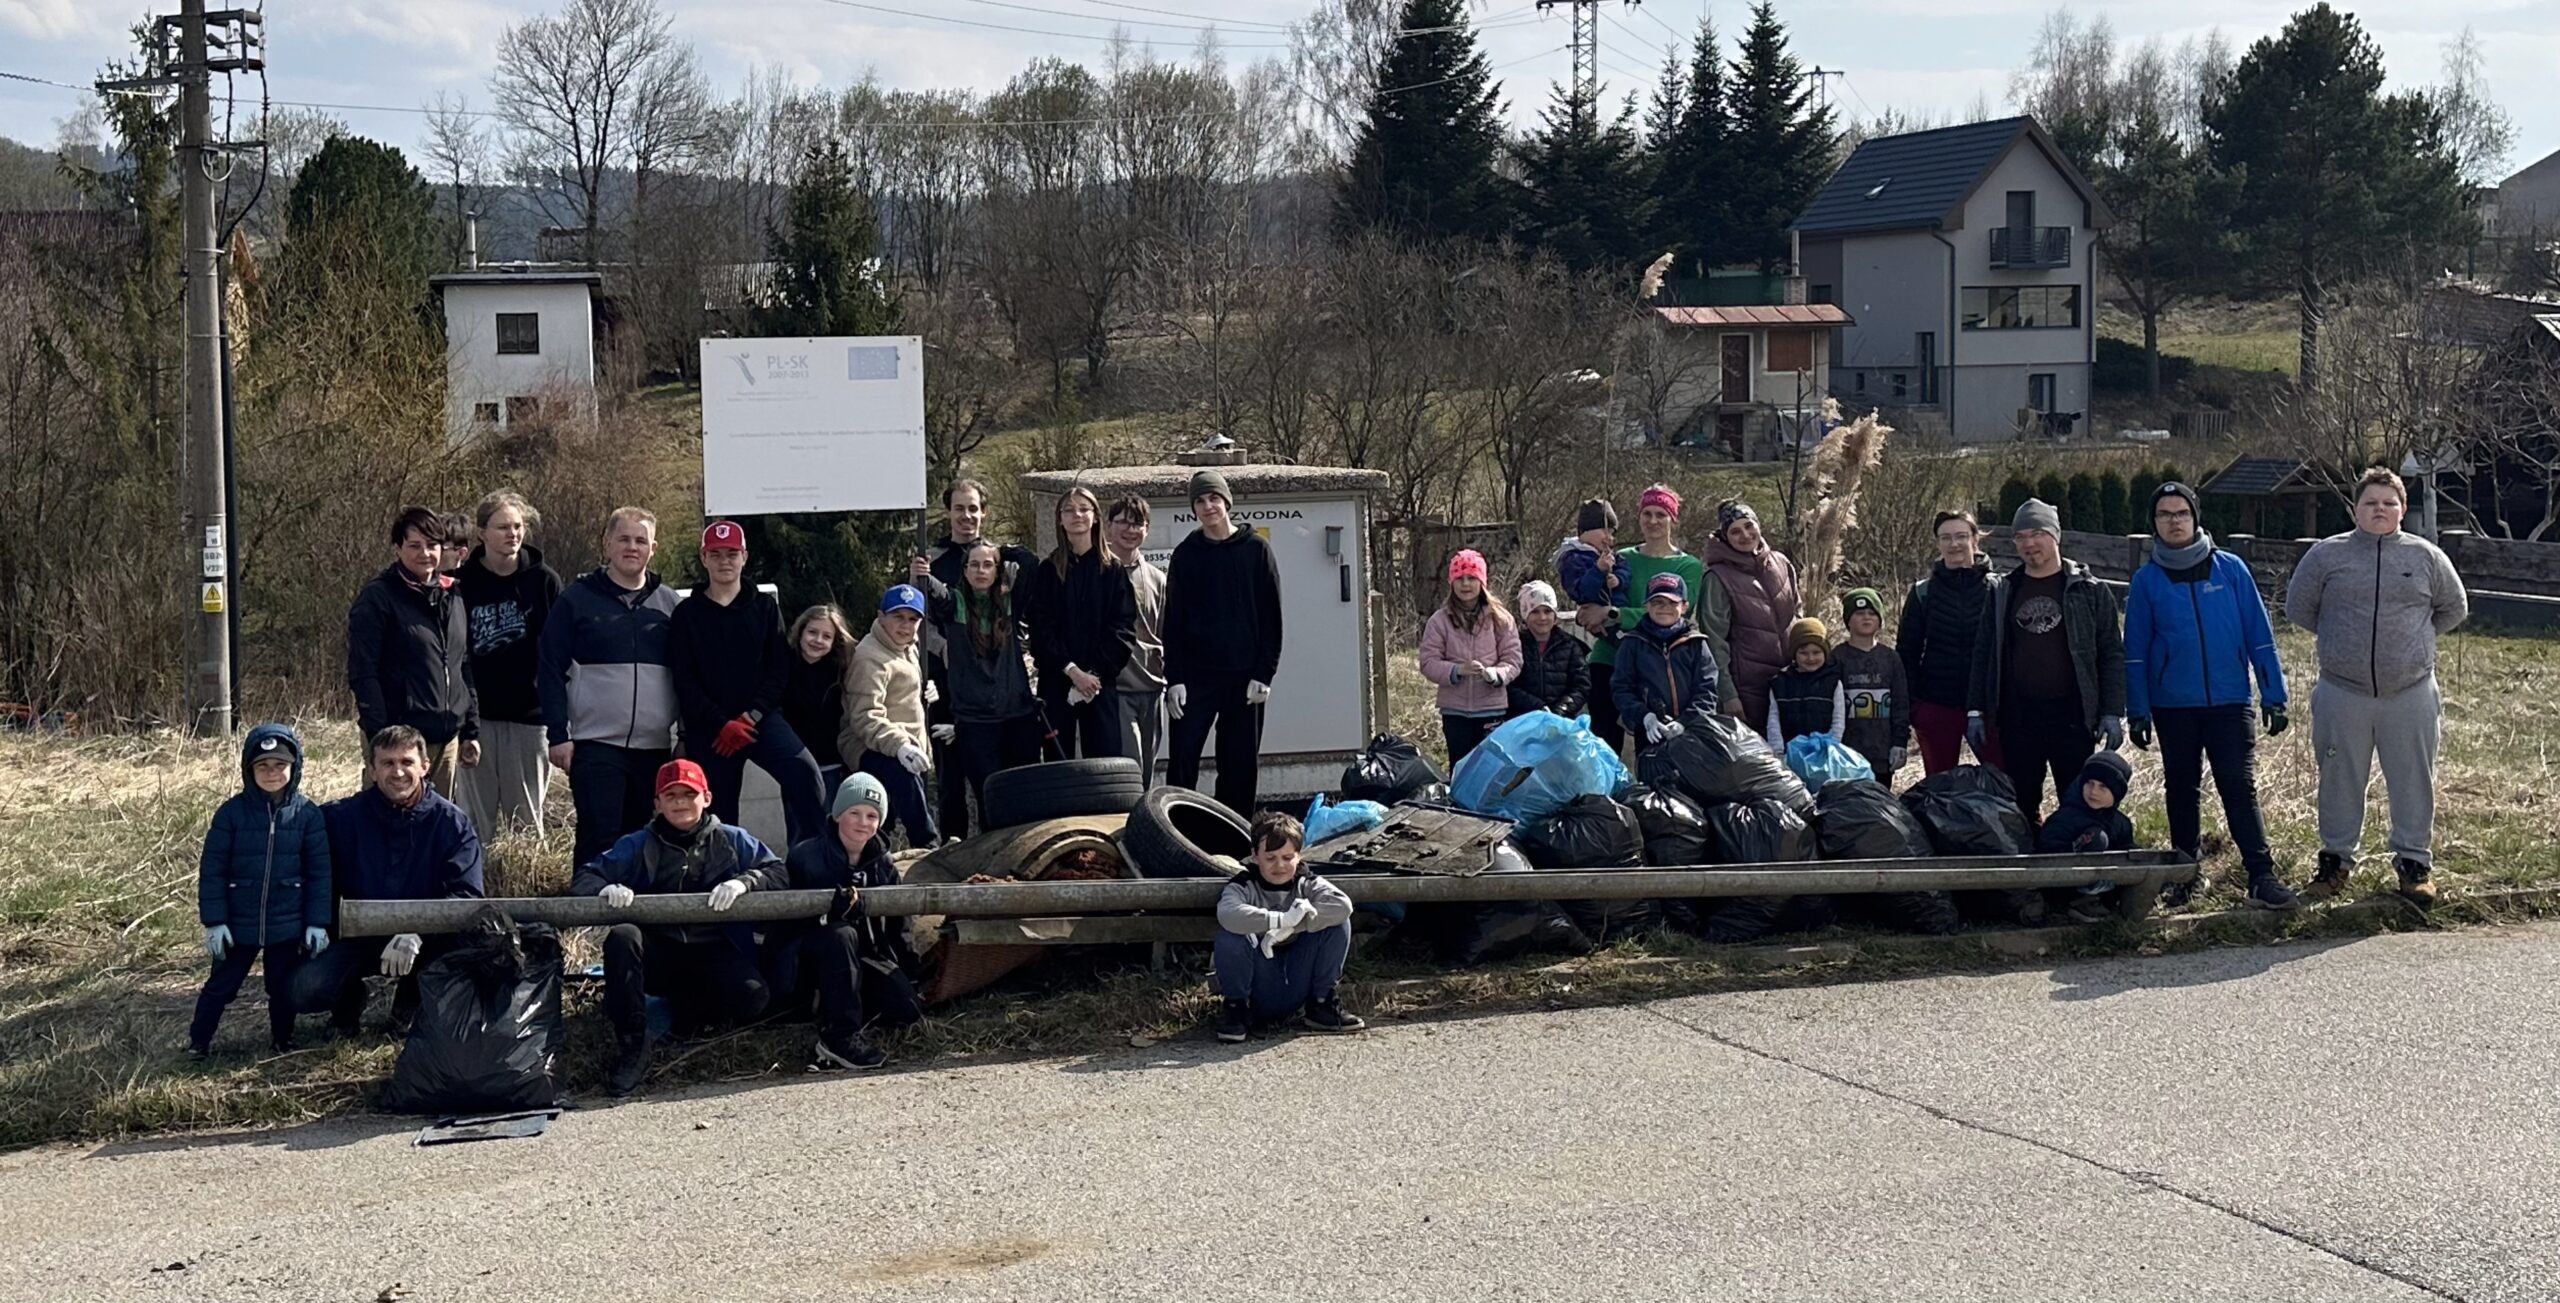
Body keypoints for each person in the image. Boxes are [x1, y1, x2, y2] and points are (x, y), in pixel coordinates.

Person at [2285, 467, 2470, 907]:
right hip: (2341, 692)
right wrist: (2343, 646)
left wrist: (2409, 648)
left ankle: (2413, 865)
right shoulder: (2326, 556)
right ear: (2355, 508)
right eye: (2371, 502)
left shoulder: (2426, 557)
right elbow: (2299, 608)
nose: (2380, 510)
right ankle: (2334, 863)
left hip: (2410, 692)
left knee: (2412, 780)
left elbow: (2453, 609)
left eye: (2389, 503)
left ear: (2403, 509)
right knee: (2339, 778)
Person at [2124, 483, 2298, 911]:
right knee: (2181, 789)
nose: (2174, 520)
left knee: (2239, 786)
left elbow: (2260, 636)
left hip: (2229, 701)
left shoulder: (2231, 569)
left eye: (2181, 512)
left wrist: (2273, 693)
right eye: (2164, 514)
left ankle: (2261, 876)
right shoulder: (2147, 581)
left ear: (2195, 516)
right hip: (2173, 704)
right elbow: (2135, 652)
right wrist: (2138, 708)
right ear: (2154, 523)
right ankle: (2186, 875)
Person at [572, 758, 788, 1096]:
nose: (680, 802)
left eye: (689, 794)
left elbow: (778, 871)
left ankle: (684, 1013)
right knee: (623, 936)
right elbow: (586, 875)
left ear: (707, 798)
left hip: (714, 949)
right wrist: (605, 889)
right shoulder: (637, 843)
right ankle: (632, 1043)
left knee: (753, 999)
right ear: (657, 803)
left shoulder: (733, 839)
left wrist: (746, 881)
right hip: (661, 952)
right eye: (670, 795)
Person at [292, 726, 484, 1037]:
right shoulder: (341, 818)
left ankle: (410, 1001)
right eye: (387, 763)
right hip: (356, 936)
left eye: (407, 762)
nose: (398, 772)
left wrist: (419, 930)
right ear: (371, 770)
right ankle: (348, 1001)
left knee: (461, 950)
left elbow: (467, 895)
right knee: (302, 990)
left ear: (424, 766)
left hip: (425, 940)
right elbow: (294, 844)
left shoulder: (452, 824)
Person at [1966, 498, 2126, 830]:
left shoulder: (2090, 592)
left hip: (2072, 715)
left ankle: (2078, 866)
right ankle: (2028, 871)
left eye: (2036, 533)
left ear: (2055, 536)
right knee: (2021, 799)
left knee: (2079, 796)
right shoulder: (2003, 591)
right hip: (2018, 715)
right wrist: (1975, 710)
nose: (2028, 543)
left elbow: (2111, 653)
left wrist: (2111, 711)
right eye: (2020, 536)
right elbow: (1983, 653)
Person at [669, 520, 828, 849]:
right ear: (704, 558)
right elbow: (684, 680)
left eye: (731, 553)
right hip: (711, 728)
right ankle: (723, 874)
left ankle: (813, 857)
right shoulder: (686, 614)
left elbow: (778, 669)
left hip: (759, 720)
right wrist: (720, 722)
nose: (724, 561)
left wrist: (751, 715)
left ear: (744, 557)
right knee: (717, 809)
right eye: (716, 554)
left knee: (804, 773)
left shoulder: (765, 607)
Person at [539, 506, 683, 869]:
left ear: (654, 547)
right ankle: (589, 920)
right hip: (595, 744)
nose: (631, 547)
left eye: (640, 540)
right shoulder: (576, 599)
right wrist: (558, 733)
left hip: (653, 747)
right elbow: (550, 667)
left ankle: (632, 923)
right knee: (599, 837)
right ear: (607, 544)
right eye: (623, 539)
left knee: (645, 838)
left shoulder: (670, 605)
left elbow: (687, 675)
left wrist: (685, 733)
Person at [766, 772, 924, 1072]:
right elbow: (786, 922)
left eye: (872, 815)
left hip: (862, 955)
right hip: (810, 956)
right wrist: (829, 915)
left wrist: (911, 972)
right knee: (840, 935)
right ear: (838, 814)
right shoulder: (805, 856)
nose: (863, 823)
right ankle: (838, 1037)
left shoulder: (883, 864)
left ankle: (847, 1005)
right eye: (855, 813)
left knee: (907, 1008)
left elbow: (898, 922)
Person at [191, 724, 331, 1058]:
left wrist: (316, 922)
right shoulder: (231, 814)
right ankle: (198, 1043)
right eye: (263, 766)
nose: (272, 773)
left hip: (287, 922)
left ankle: (282, 1040)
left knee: (281, 988)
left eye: (280, 766)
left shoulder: (308, 815)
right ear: (248, 768)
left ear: (294, 768)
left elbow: (320, 873)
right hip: (237, 924)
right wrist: (214, 921)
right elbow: (212, 871)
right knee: (221, 987)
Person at [923, 479, 1042, 839]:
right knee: (951, 782)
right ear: (948, 512)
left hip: (1000, 692)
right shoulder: (934, 560)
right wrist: (945, 647)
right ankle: (954, 849)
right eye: (959, 508)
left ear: (984, 512)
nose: (966, 516)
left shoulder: (1002, 566)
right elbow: (919, 618)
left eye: (973, 508)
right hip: (947, 687)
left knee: (1004, 783)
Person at [1163, 469, 1284, 816]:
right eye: (1199, 501)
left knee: (1239, 765)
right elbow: (1173, 622)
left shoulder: (1256, 551)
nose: (1207, 506)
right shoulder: (1186, 554)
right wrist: (1175, 679)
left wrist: (1265, 672)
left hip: (1245, 679)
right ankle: (1178, 831)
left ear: (1226, 502)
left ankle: (1235, 839)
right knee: (1183, 761)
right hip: (1196, 680)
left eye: (1213, 498)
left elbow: (1272, 619)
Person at [452, 489, 563, 839]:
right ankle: (474, 889)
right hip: (475, 720)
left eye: (518, 526)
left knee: (527, 823)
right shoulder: (460, 584)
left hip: (529, 720)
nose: (512, 534)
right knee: (475, 822)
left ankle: (527, 890)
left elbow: (559, 653)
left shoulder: (544, 581)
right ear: (482, 533)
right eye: (502, 527)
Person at [346, 505, 478, 799]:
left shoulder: (452, 594)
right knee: (388, 826)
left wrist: (471, 728)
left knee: (436, 828)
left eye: (432, 546)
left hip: (446, 740)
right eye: (414, 546)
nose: (425, 554)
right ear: (398, 548)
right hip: (398, 744)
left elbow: (462, 664)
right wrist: (382, 734)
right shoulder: (378, 598)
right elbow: (362, 671)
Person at [1211, 811, 1362, 1042]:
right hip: (1259, 984)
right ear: (1254, 856)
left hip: (1297, 978)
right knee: (1231, 934)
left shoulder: (1307, 881)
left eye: (1287, 857)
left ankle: (1321, 1005)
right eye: (1270, 858)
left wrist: (1293, 926)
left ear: (1299, 857)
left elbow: (1342, 905)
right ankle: (1236, 1010)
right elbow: (1228, 913)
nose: (1279, 865)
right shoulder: (1243, 885)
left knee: (1338, 923)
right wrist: (1279, 920)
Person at [1020, 486, 1137, 760]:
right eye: (1069, 510)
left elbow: (1123, 629)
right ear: (1060, 519)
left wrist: (1092, 675)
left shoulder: (1113, 570)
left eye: (1084, 509)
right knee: (1058, 766)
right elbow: (1040, 628)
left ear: (1095, 516)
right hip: (1057, 682)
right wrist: (1072, 671)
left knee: (1105, 764)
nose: (1077, 515)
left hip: (1100, 684)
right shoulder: (1049, 570)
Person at [1898, 511, 1998, 774]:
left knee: (2006, 782)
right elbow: (1907, 652)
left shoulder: (1999, 589)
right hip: (1937, 705)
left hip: (1989, 707)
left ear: (1975, 540)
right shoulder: (1923, 592)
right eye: (1946, 538)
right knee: (1939, 787)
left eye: (1961, 536)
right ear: (1938, 543)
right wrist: (1915, 707)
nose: (1954, 544)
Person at [839, 585, 938, 849]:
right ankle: (928, 844)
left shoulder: (907, 647)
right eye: (898, 617)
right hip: (869, 747)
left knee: (889, 818)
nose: (906, 626)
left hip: (906, 747)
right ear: (881, 616)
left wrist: (923, 690)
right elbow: (864, 717)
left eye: (913, 619)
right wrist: (900, 746)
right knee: (900, 776)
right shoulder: (869, 657)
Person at [1698, 498, 1799, 728]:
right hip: (1748, 690)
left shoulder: (1782, 563)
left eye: (1748, 525)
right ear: (1725, 537)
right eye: (1735, 531)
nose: (1745, 535)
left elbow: (1798, 618)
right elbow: (1714, 641)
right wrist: (1727, 693)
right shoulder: (1718, 578)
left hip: (1790, 685)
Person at [1419, 549, 1521, 765]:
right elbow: (1428, 662)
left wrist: (1496, 674)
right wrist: (1456, 670)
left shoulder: (1501, 619)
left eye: (1472, 578)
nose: (1465, 584)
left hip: (1492, 708)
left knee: (1490, 767)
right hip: (1455, 712)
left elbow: (1513, 659)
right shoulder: (1440, 621)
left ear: (1482, 581)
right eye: (1460, 578)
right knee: (1460, 766)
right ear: (1451, 583)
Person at [1553, 499, 1633, 749]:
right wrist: (1598, 571)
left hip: (1615, 614)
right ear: (1585, 531)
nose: (1609, 537)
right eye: (1604, 530)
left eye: (1613, 532)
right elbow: (1581, 589)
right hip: (1605, 625)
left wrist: (1617, 580)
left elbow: (1625, 571)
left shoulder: (1609, 555)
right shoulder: (1573, 558)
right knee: (1629, 650)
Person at [1612, 573, 1725, 747]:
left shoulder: (1696, 643)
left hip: (1694, 733)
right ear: (1646, 606)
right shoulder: (1632, 643)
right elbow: (1621, 688)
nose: (1664, 608)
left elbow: (1707, 689)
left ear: (1685, 606)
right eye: (1657, 602)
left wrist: (1685, 721)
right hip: (1650, 734)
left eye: (1672, 602)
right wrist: (1644, 716)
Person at [1105, 495, 1168, 785]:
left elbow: (1166, 632)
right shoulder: (1098, 573)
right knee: (1127, 770)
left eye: (1138, 524)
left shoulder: (1157, 579)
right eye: (1123, 523)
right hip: (1115, 689)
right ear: (1108, 526)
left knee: (1146, 774)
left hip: (1153, 687)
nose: (1131, 530)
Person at [2038, 751, 2139, 924]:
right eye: (2089, 783)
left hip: (2105, 883)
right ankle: (2080, 901)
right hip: (2064, 885)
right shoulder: (2066, 817)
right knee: (2096, 838)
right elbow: (2047, 851)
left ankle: (2118, 900)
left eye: (2103, 787)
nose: (2093, 791)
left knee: (2136, 853)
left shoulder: (2121, 822)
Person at [1832, 588, 1911, 784]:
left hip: (1882, 752)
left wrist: (1899, 742)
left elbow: (1900, 703)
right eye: (1859, 613)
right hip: (1847, 752)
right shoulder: (1837, 657)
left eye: (1871, 613)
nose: (1866, 618)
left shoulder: (1890, 658)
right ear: (1848, 620)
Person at [782, 604, 858, 800]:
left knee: (828, 825)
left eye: (826, 636)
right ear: (800, 632)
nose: (817, 640)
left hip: (831, 765)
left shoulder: (842, 670)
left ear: (835, 641)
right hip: (794, 765)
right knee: (797, 827)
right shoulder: (783, 666)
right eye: (812, 632)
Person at [1508, 580, 1588, 720]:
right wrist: (1537, 707)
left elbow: (1581, 685)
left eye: (1547, 611)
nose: (1542, 617)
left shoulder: (1571, 646)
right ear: (1525, 615)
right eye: (1535, 612)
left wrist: (1560, 710)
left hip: (1561, 721)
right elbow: (1509, 686)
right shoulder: (1514, 645)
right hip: (1521, 721)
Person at [1763, 617, 1846, 749]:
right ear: (1794, 654)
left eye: (1816, 652)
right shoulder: (1780, 682)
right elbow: (1773, 721)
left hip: (1823, 753)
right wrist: (1778, 751)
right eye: (1804, 653)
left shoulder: (1833, 682)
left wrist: (1830, 748)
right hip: (1789, 753)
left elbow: (1838, 721)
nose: (1811, 658)